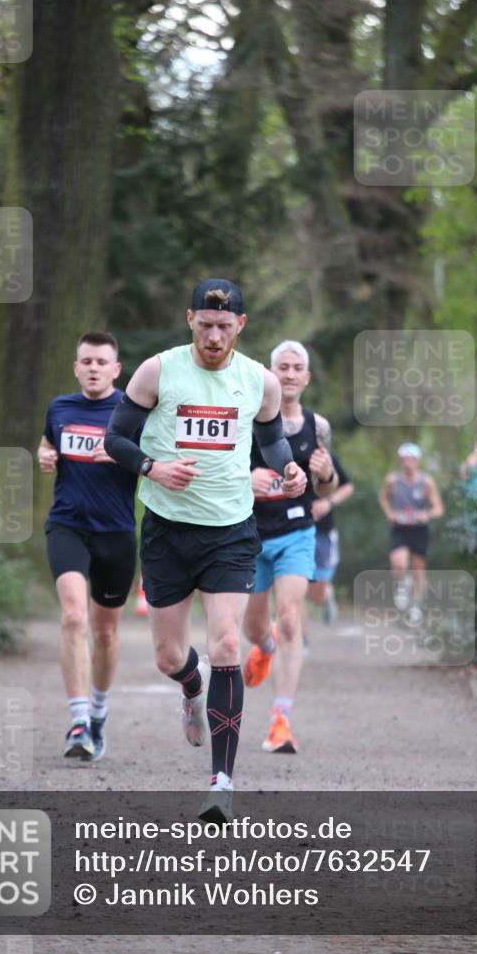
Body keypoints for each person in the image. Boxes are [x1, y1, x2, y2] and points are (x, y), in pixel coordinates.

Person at [104, 279, 307, 823]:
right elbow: (115, 440)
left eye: (225, 327)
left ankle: (222, 782)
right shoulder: (158, 371)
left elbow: (271, 438)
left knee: (224, 644)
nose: (214, 337)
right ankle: (191, 689)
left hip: (231, 531)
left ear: (241, 326)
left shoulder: (259, 382)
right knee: (171, 657)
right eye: (205, 325)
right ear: (189, 318)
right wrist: (154, 467)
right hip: (168, 529)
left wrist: (288, 468)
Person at [37, 331, 138, 762]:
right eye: (86, 361)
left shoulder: (131, 415)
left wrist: (123, 455)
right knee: (74, 616)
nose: (93, 368)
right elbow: (47, 443)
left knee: (106, 631)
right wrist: (42, 454)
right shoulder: (59, 408)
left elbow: (154, 461)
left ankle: (98, 713)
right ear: (76, 367)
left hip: (116, 531)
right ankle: (78, 721)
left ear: (116, 369)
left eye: (102, 362)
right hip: (68, 526)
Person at [241, 341, 338, 754]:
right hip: (249, 535)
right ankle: (263, 648)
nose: (291, 374)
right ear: (270, 371)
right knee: (254, 626)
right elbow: (222, 471)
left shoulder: (319, 427)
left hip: (297, 534)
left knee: (291, 618)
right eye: (283, 366)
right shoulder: (248, 418)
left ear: (307, 377)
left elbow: (326, 485)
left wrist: (327, 472)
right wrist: (248, 480)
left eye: (298, 367)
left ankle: (280, 719)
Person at [378, 443, 443, 610]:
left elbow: (438, 508)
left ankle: (416, 605)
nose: (407, 463)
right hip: (400, 527)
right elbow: (383, 498)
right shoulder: (392, 480)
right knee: (398, 562)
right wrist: (389, 513)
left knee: (418, 569)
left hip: (419, 529)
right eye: (404, 460)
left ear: (417, 461)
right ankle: (401, 585)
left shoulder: (426, 482)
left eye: (411, 459)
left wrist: (426, 515)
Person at [308, 452, 355, 624]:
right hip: (293, 531)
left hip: (323, 533)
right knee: (296, 586)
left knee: (317, 594)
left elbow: (348, 486)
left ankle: (326, 598)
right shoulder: (278, 451)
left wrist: (329, 503)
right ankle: (301, 642)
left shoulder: (325, 457)